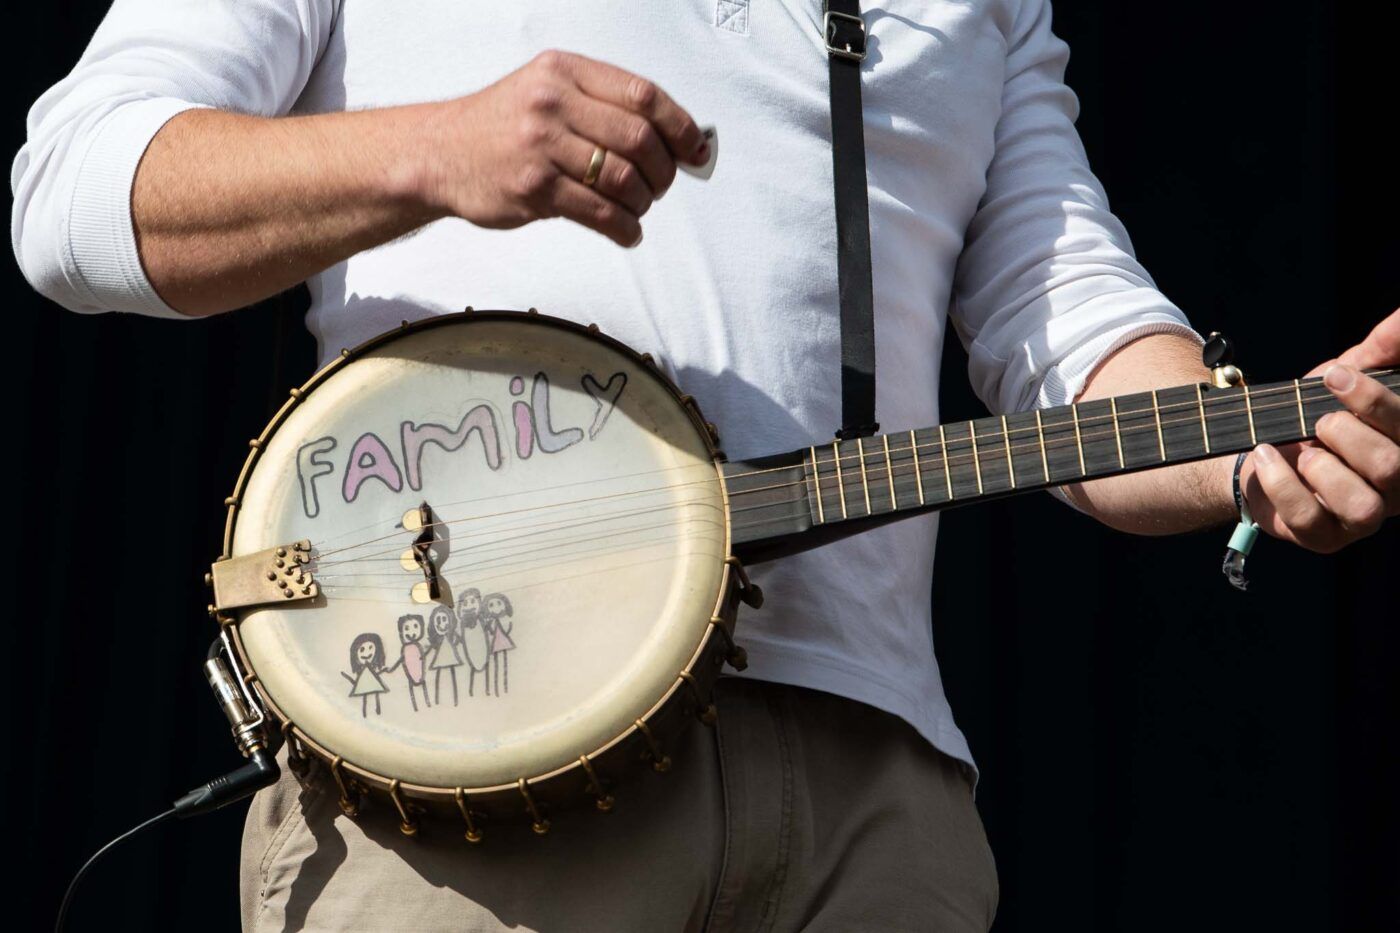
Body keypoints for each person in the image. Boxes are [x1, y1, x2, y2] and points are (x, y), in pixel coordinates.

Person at [11, 2, 1399, 930]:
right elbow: (73, 195)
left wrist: (1252, 439)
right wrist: (436, 149)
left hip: (874, 798)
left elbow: (1075, 333)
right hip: (475, 758)